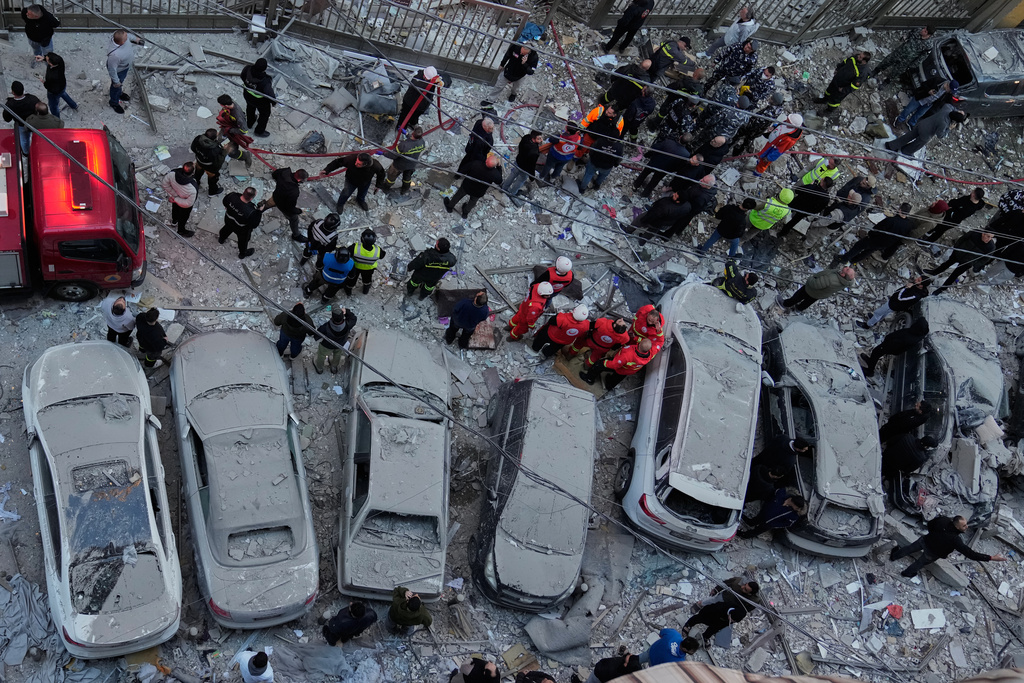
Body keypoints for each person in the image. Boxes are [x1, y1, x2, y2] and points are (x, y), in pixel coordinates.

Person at [890, 515, 1007, 578]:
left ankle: (894, 556)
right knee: (920, 563)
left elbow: (930, 524)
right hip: (933, 553)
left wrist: (933, 535)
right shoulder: (955, 540)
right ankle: (907, 573)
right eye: (964, 526)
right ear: (957, 527)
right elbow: (970, 553)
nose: (967, 527)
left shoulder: (943, 520)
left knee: (909, 548)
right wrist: (991, 558)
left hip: (925, 540)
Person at [831, 202, 913, 267]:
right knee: (868, 251)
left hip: (875, 239)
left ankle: (845, 258)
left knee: (858, 246)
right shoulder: (908, 225)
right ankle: (853, 261)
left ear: (900, 210)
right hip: (886, 244)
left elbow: (878, 228)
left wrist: (870, 234)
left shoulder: (891, 220)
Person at [681, 580, 758, 646]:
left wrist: (732, 619)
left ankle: (705, 636)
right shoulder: (737, 582)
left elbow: (746, 610)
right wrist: (716, 589)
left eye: (746, 590)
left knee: (715, 628)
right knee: (701, 617)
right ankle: (689, 624)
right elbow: (725, 583)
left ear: (750, 594)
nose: (742, 587)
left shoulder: (752, 602)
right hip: (721, 603)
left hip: (727, 614)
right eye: (744, 586)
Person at [925, 231, 996, 295]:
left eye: (991, 237)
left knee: (954, 275)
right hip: (958, 254)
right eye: (988, 236)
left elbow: (986, 259)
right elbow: (962, 239)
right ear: (983, 234)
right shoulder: (975, 234)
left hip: (967, 262)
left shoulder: (990, 247)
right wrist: (956, 248)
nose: (989, 239)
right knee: (947, 263)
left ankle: (941, 289)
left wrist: (974, 263)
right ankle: (934, 272)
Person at [885, 103, 966, 156]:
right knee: (916, 145)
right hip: (926, 134)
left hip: (922, 124)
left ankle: (891, 145)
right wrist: (949, 129)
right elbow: (940, 135)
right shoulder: (944, 123)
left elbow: (948, 105)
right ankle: (906, 152)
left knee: (908, 136)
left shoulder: (947, 109)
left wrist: (958, 111)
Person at [859, 318, 929, 377]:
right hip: (892, 345)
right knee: (876, 353)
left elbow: (897, 342)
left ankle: (870, 371)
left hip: (891, 346)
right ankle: (871, 362)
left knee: (876, 352)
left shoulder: (911, 337)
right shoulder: (916, 333)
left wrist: (887, 342)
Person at [580, 338, 655, 391]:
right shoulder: (651, 353)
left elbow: (614, 364)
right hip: (628, 370)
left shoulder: (628, 355)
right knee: (616, 378)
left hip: (620, 365)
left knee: (599, 365)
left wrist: (605, 363)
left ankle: (589, 378)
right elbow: (659, 342)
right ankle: (609, 385)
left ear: (639, 344)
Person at [631, 134, 693, 198]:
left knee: (644, 173)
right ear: (688, 143)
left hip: (654, 162)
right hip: (665, 169)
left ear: (680, 136)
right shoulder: (686, 154)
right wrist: (670, 170)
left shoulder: (668, 142)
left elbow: (654, 147)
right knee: (654, 181)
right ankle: (644, 194)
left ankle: (635, 185)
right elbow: (679, 166)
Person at [444, 153, 502, 220]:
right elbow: (499, 181)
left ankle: (450, 206)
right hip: (479, 191)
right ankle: (465, 213)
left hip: (467, 185)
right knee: (472, 202)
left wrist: (458, 175)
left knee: (458, 195)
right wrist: (499, 167)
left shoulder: (475, 164)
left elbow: (464, 169)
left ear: (486, 160)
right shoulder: (495, 173)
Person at [860, 276, 930, 328]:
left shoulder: (915, 295)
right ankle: (875, 320)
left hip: (894, 304)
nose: (916, 279)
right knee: (883, 313)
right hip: (893, 302)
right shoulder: (916, 286)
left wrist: (906, 288)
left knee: (878, 313)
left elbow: (900, 298)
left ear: (921, 285)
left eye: (919, 280)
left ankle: (868, 325)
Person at [777, 266, 856, 311]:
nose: (846, 267)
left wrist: (810, 278)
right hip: (820, 294)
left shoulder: (831, 279)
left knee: (798, 296)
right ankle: (798, 309)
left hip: (811, 290)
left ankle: (785, 304)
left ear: (843, 274)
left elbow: (815, 284)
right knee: (808, 302)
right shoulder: (847, 281)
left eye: (847, 269)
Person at [262, 167, 308, 241]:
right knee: (294, 219)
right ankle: (296, 235)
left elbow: (274, 174)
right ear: (300, 180)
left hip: (275, 197)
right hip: (283, 206)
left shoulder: (285, 172)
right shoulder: (294, 191)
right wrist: (299, 211)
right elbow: (290, 208)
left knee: (265, 206)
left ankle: (255, 213)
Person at [738, 490, 806, 538]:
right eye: (797, 507)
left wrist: (772, 525)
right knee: (753, 521)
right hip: (764, 513)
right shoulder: (781, 496)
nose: (797, 509)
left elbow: (786, 523)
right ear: (793, 502)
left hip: (769, 523)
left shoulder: (794, 515)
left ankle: (743, 535)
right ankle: (742, 517)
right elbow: (778, 492)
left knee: (755, 532)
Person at [219, 187, 264, 259]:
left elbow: (224, 201)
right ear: (251, 198)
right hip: (241, 229)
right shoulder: (251, 211)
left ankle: (221, 239)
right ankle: (242, 254)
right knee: (243, 242)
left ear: (243, 192)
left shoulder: (232, 196)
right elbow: (254, 224)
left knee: (226, 230)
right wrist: (259, 211)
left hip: (229, 220)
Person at [106, 29, 143, 115]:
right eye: (126, 37)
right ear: (122, 42)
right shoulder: (114, 55)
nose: (127, 36)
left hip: (125, 67)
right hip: (119, 71)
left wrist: (136, 39)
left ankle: (119, 93)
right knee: (116, 86)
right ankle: (114, 102)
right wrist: (116, 81)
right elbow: (112, 70)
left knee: (121, 83)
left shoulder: (121, 38)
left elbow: (129, 36)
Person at [313, 307, 357, 375]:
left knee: (321, 355)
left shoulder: (326, 327)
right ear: (343, 316)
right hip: (340, 344)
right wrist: (347, 311)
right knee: (337, 354)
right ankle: (334, 367)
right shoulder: (348, 324)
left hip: (327, 345)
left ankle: (319, 368)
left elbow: (316, 335)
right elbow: (354, 318)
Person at [383, 126, 425, 195]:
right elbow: (413, 142)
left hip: (399, 165)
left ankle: (386, 188)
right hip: (411, 165)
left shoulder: (403, 145)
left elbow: (392, 155)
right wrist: (407, 134)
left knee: (391, 177)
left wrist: (383, 153)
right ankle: (404, 189)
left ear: (413, 132)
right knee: (407, 179)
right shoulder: (422, 143)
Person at [344, 229, 386, 295]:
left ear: (361, 239)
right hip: (369, 269)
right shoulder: (378, 251)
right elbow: (382, 256)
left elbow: (347, 253)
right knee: (367, 280)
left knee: (352, 280)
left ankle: (348, 291)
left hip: (355, 268)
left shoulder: (355, 247)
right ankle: (365, 291)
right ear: (374, 240)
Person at [162, 163, 199, 237]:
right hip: (183, 203)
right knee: (183, 217)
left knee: (175, 209)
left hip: (175, 198)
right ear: (193, 173)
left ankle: (174, 221)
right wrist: (176, 198)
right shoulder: (192, 188)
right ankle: (181, 230)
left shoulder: (172, 174)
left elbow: (165, 184)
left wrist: (174, 196)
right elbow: (189, 203)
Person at [503, 130, 543, 199]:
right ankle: (512, 193)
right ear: (533, 139)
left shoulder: (526, 137)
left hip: (518, 161)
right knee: (520, 180)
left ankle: (504, 187)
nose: (541, 140)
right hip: (525, 168)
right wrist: (532, 177)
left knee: (513, 174)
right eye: (539, 139)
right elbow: (531, 166)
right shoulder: (534, 152)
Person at [240, 58, 274, 138]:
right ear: (264, 69)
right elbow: (270, 94)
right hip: (261, 101)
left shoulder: (247, 69)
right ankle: (259, 131)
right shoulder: (265, 81)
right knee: (264, 115)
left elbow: (242, 76)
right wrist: (274, 102)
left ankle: (250, 122)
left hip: (247, 95)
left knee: (250, 107)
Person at [3, 81, 41, 152]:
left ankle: (26, 153)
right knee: (36, 137)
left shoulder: (10, 104)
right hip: (33, 122)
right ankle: (36, 150)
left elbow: (7, 119)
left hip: (21, 125)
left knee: (24, 140)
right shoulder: (33, 99)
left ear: (13, 92)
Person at [38, 52, 77, 118]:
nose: (46, 59)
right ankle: (74, 105)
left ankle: (56, 118)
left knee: (53, 106)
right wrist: (44, 58)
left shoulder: (53, 76)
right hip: (62, 85)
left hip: (54, 92)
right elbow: (50, 57)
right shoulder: (60, 61)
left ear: (51, 64)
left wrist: (44, 82)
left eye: (47, 60)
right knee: (63, 94)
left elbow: (50, 88)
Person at [191, 128, 226, 196]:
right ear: (214, 138)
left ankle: (195, 182)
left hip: (199, 161)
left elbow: (193, 148)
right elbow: (218, 162)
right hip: (210, 167)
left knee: (197, 173)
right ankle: (212, 191)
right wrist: (224, 151)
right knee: (212, 179)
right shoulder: (215, 149)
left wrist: (199, 155)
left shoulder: (198, 139)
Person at [573, 649, 642, 683]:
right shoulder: (618, 673)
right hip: (600, 674)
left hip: (602, 667)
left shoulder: (630, 663)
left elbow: (629, 656)